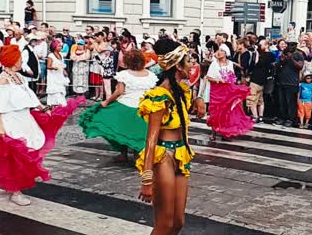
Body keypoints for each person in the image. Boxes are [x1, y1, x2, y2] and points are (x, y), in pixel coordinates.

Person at [0, 44, 84, 206]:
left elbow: (30, 96)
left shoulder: (18, 76)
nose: (21, 61)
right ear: (12, 60)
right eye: (18, 58)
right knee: (17, 155)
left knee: (29, 151)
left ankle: (14, 184)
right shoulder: (2, 79)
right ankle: (15, 191)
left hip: (24, 118)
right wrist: (0, 127)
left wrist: (43, 108)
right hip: (11, 120)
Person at [136, 43, 206, 234]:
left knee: (178, 223)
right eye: (188, 61)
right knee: (164, 224)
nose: (192, 65)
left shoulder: (181, 91)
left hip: (181, 154)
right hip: (163, 157)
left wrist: (199, 101)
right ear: (177, 66)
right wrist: (147, 179)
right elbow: (151, 138)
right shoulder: (159, 96)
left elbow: (185, 113)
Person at [79, 49, 158, 161]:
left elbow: (119, 92)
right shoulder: (150, 75)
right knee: (138, 132)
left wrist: (106, 102)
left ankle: (123, 154)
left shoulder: (124, 74)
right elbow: (153, 91)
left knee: (119, 129)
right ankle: (137, 155)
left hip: (125, 105)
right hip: (144, 106)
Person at [206, 45, 253, 141]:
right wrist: (219, 81)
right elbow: (209, 77)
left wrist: (230, 80)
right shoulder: (214, 64)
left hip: (227, 90)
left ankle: (225, 132)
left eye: (222, 51)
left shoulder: (230, 63)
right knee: (216, 111)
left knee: (228, 111)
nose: (219, 52)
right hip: (217, 91)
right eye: (218, 50)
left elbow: (232, 76)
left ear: (226, 53)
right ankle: (213, 132)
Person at [46, 40, 69, 106]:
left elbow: (61, 64)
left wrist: (64, 71)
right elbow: (48, 66)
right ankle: (53, 105)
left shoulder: (61, 54)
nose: (61, 47)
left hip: (59, 75)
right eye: (59, 46)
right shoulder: (51, 55)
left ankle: (61, 106)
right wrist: (54, 68)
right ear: (54, 47)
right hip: (53, 76)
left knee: (61, 90)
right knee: (55, 91)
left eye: (61, 46)